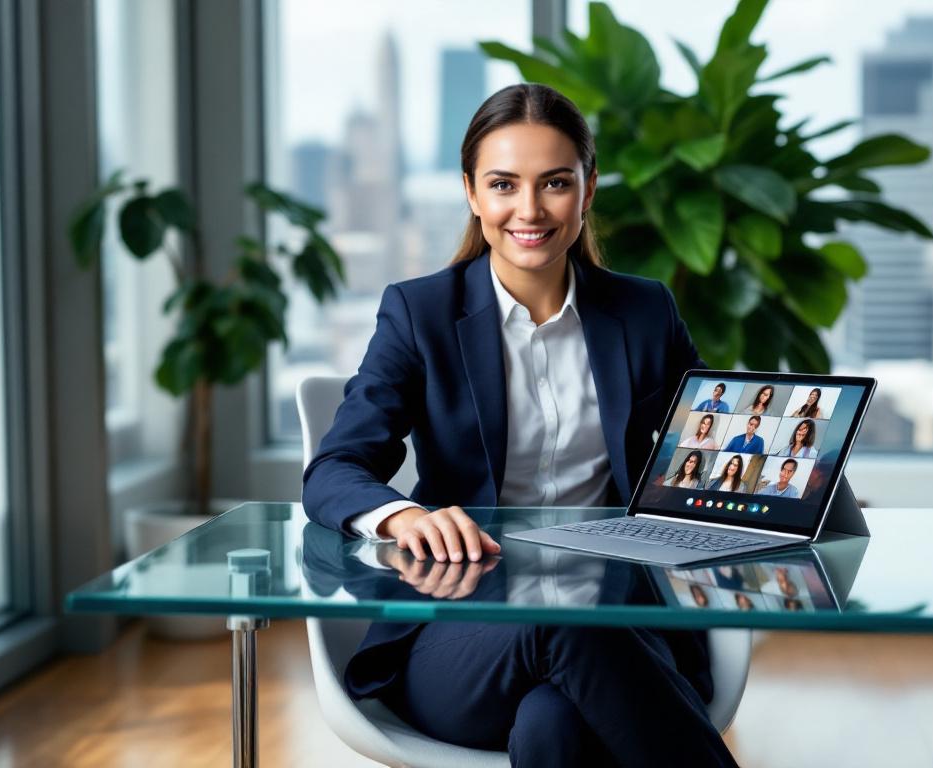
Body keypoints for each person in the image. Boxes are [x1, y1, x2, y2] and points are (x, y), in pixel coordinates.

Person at [302, 83, 737, 768]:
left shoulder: (644, 312)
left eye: (555, 183)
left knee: (550, 727)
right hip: (459, 634)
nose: (529, 210)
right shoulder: (420, 314)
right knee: (561, 624)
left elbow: (709, 445)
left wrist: (798, 478)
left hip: (622, 626)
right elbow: (334, 470)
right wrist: (402, 516)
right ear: (472, 193)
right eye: (503, 184)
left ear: (588, 190)